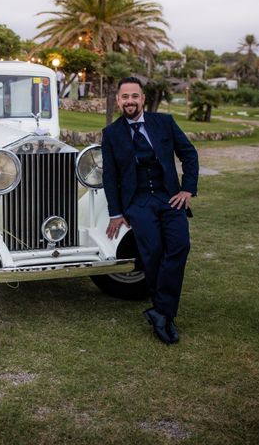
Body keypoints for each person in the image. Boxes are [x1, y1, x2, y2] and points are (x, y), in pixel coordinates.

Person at [101, 77, 198, 345]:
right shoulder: (111, 134)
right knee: (152, 253)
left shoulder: (164, 123)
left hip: (170, 198)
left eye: (135, 96)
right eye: (125, 97)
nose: (130, 101)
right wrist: (116, 213)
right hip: (138, 202)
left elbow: (189, 154)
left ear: (143, 98)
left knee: (180, 247)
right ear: (119, 100)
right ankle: (165, 314)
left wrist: (187, 189)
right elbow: (109, 177)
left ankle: (161, 312)